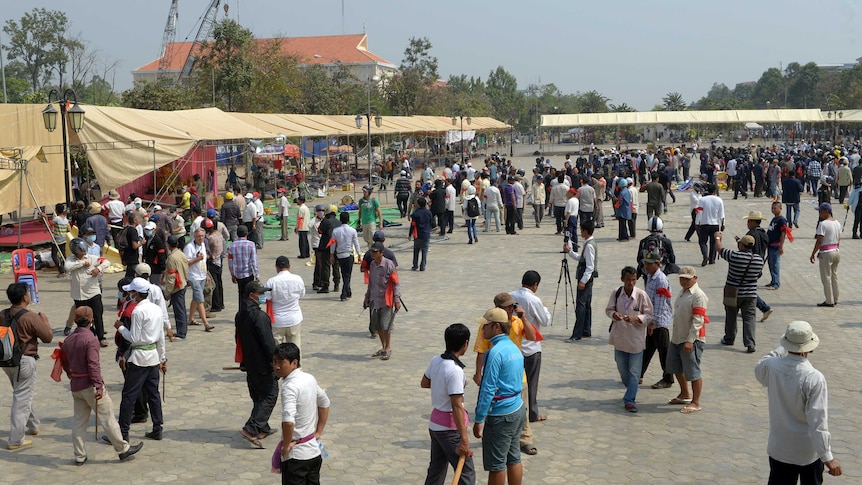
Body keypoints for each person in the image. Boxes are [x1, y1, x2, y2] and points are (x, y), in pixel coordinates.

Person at [754, 321, 843, 484]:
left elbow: (760, 366)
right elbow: (818, 422)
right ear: (810, 348)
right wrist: (828, 458)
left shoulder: (772, 367)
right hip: (808, 452)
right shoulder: (814, 377)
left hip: (780, 448)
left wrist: (782, 348)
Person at [61, 306, 144, 465]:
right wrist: (99, 386)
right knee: (108, 418)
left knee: (79, 422)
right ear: (91, 320)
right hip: (90, 385)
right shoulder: (90, 339)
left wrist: (69, 372)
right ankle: (122, 449)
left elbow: (62, 359)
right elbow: (93, 365)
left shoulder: (69, 339)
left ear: (76, 321)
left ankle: (79, 455)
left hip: (76, 385)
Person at [472, 308, 526, 485]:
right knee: (514, 457)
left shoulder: (494, 353)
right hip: (517, 408)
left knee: (497, 464)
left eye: (485, 326)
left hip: (501, 415)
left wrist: (479, 418)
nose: (482, 330)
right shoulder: (514, 348)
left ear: (496, 327)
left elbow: (487, 389)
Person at [421, 323, 475, 485]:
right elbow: (456, 406)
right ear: (465, 343)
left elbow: (425, 382)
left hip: (435, 425)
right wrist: (464, 439)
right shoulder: (455, 371)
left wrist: (442, 384)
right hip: (450, 430)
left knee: (436, 471)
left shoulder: (436, 360)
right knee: (466, 473)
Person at [2, 283, 53, 450]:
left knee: (22, 392)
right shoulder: (30, 316)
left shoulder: (3, 314)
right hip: (25, 360)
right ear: (25, 297)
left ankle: (33, 425)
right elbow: (47, 337)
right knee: (22, 397)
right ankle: (16, 439)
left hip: (7, 360)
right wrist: (44, 321)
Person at [115, 278, 166, 442]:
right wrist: (162, 357)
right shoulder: (156, 309)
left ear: (136, 294)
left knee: (129, 396)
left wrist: (121, 328)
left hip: (139, 358)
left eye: (131, 292)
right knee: (153, 394)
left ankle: (122, 433)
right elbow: (161, 336)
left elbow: (135, 338)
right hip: (153, 356)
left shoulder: (138, 311)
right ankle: (157, 427)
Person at [274, 342, 331, 484]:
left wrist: (286, 447)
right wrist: (318, 432)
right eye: (274, 362)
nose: (276, 366)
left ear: (294, 363)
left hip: (297, 457)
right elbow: (324, 403)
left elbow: (288, 421)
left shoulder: (290, 387)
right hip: (314, 453)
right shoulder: (309, 378)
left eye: (281, 362)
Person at [235, 281, 278, 447]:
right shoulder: (260, 317)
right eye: (261, 294)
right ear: (252, 296)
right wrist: (276, 362)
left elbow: (238, 339)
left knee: (259, 396)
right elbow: (268, 343)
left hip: (250, 363)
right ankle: (251, 428)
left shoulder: (240, 315)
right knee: (269, 395)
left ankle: (263, 428)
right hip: (263, 364)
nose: (263, 296)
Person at [606, 266, 653, 412]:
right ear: (622, 279)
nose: (631, 283)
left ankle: (630, 400)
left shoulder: (641, 295)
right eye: (628, 280)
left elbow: (649, 315)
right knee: (623, 370)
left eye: (633, 280)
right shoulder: (616, 293)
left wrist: (636, 318)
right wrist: (615, 315)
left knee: (634, 372)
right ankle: (631, 388)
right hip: (620, 338)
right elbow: (609, 310)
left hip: (636, 341)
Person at [510, 271, 551, 423]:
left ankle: (515, 410)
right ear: (535, 285)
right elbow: (546, 321)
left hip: (514, 346)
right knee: (532, 382)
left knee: (514, 381)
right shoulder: (534, 300)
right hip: (531, 347)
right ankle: (532, 414)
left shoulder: (510, 296)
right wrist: (544, 308)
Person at [667, 266, 707, 414]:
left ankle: (696, 402)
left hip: (692, 339)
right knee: (675, 366)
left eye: (687, 279)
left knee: (693, 371)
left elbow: (698, 320)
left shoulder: (698, 295)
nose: (683, 281)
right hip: (677, 336)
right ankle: (684, 393)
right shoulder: (682, 292)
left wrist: (690, 340)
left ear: (695, 279)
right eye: (682, 278)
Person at [715, 233, 763, 353]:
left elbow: (720, 249)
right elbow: (758, 275)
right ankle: (750, 343)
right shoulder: (758, 260)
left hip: (732, 291)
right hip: (750, 294)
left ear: (742, 246)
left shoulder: (734, 255)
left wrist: (717, 238)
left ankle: (729, 338)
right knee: (749, 318)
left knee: (731, 316)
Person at [65, 237, 110, 347]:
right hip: (79, 295)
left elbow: (106, 262)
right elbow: (67, 267)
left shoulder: (92, 258)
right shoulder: (70, 260)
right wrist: (81, 264)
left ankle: (101, 337)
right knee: (81, 318)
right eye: (80, 249)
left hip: (93, 292)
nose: (83, 251)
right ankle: (87, 336)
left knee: (98, 315)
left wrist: (98, 269)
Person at [640, 251, 674, 390]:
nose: (646, 266)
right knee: (647, 349)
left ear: (657, 264)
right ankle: (638, 374)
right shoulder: (650, 276)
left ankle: (668, 378)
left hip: (659, 322)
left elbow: (660, 304)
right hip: (651, 321)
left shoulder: (661, 280)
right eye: (645, 263)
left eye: (649, 264)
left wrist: (653, 322)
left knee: (664, 351)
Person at [364, 242, 401, 361]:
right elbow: (370, 283)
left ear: (381, 253)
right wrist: (367, 297)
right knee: (378, 325)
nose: (373, 254)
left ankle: (388, 347)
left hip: (386, 299)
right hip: (375, 299)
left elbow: (396, 283)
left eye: (375, 252)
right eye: (372, 251)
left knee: (386, 325)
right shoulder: (372, 265)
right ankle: (383, 347)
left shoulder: (389, 265)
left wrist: (397, 299)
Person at [564, 219, 597, 342]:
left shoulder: (589, 246)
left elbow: (590, 266)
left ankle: (577, 334)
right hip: (587, 278)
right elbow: (581, 258)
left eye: (581, 230)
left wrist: (583, 281)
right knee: (587, 305)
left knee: (581, 306)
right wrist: (570, 252)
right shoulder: (589, 243)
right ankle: (586, 330)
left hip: (586, 278)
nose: (580, 232)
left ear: (585, 231)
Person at [266, 256, 306, 348]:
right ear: (289, 266)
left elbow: (267, 297)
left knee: (276, 350)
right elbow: (301, 295)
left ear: (277, 267)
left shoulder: (271, 281)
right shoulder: (298, 279)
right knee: (295, 348)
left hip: (277, 320)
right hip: (294, 318)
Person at [810, 203, 841, 307]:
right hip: (836, 250)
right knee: (834, 275)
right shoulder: (837, 222)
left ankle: (829, 300)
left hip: (826, 252)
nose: (819, 213)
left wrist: (813, 253)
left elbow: (819, 241)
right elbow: (839, 238)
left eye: (820, 211)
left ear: (826, 211)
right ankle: (836, 298)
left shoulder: (823, 224)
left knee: (826, 277)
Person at [184, 228, 213, 331]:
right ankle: (206, 323)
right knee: (200, 299)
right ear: (194, 236)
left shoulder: (203, 245)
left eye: (202, 236)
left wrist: (206, 274)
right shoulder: (189, 247)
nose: (200, 238)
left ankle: (191, 319)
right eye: (198, 236)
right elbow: (186, 263)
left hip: (202, 275)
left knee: (196, 298)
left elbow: (204, 261)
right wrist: (197, 259)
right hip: (193, 276)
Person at [329, 212, 361, 301]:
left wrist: (331, 255)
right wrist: (359, 254)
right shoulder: (352, 230)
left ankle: (348, 291)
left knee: (344, 274)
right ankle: (344, 294)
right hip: (349, 254)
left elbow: (333, 244)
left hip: (340, 255)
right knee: (347, 275)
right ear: (348, 220)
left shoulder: (335, 231)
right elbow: (356, 243)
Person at [163, 236, 188, 340]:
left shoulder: (171, 258)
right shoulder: (182, 254)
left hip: (176, 286)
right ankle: (182, 330)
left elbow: (171, 277)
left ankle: (181, 332)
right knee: (181, 309)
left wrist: (167, 292)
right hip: (183, 283)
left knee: (179, 311)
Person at [228, 225, 260, 305]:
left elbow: (230, 262)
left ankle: (241, 313)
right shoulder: (251, 244)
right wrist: (257, 274)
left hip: (238, 275)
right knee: (249, 295)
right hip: (248, 274)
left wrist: (232, 274)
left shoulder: (232, 245)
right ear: (246, 234)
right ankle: (248, 313)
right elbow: (254, 260)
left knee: (241, 294)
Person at [695, 183, 725, 266]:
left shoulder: (702, 200)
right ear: (715, 191)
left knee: (702, 242)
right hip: (715, 224)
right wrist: (723, 224)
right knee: (714, 242)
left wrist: (697, 223)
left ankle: (705, 255)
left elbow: (699, 212)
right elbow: (721, 214)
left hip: (705, 224)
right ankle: (712, 259)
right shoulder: (719, 200)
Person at [765, 202, 788, 291]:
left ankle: (776, 283)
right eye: (772, 208)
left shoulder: (781, 220)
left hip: (776, 246)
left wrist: (781, 246)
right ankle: (773, 280)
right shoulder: (774, 219)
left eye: (775, 208)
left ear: (780, 208)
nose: (773, 210)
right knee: (770, 264)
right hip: (770, 245)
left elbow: (783, 234)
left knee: (775, 265)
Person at [410, 197, 433, 271]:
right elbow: (431, 223)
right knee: (424, 251)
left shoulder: (415, 213)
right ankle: (422, 266)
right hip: (426, 234)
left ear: (418, 204)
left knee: (416, 250)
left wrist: (410, 234)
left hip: (417, 235)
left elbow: (413, 225)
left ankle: (415, 265)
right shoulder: (429, 212)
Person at [49, 203, 69, 277]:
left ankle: (61, 270)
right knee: (63, 254)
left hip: (57, 240)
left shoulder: (57, 219)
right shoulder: (66, 220)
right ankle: (64, 269)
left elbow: (50, 224)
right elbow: (68, 229)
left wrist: (44, 217)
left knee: (54, 255)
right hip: (63, 239)